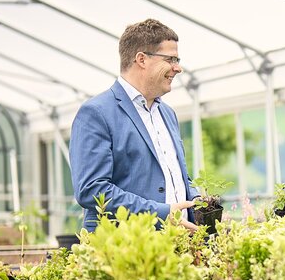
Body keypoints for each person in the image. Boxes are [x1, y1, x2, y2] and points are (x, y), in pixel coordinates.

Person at [70, 18, 198, 232]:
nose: (178, 68)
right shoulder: (96, 113)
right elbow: (92, 189)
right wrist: (160, 214)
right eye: (171, 59)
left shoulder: (167, 114)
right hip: (125, 250)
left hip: (179, 244)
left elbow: (175, 175)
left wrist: (197, 199)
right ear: (142, 59)